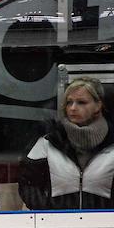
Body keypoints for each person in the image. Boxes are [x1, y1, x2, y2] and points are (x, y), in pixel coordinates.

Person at [19, 77, 114, 210]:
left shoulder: (111, 142)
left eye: (82, 102)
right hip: (57, 226)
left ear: (98, 105)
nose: (73, 108)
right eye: (69, 102)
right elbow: (29, 185)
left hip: (106, 226)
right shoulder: (47, 142)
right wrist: (49, 214)